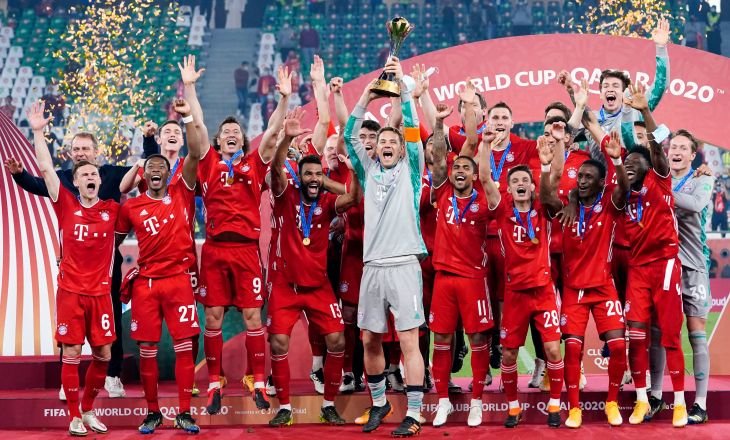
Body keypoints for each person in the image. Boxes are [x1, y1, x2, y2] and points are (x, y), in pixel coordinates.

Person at [4, 116, 158, 403]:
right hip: (73, 269)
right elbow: (39, 181)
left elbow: (144, 171)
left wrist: (149, 141)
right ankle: (69, 381)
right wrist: (19, 174)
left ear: (96, 154)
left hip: (105, 266)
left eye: (85, 149)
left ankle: (112, 375)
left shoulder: (111, 177)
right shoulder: (63, 182)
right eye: (76, 149)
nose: (80, 153)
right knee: (70, 330)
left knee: (111, 320)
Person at [180, 56, 292, 414]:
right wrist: (190, 87)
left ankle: (257, 382)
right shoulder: (208, 163)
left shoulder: (254, 164)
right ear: (218, 141)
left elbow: (272, 133)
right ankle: (214, 384)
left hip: (246, 252)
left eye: (236, 131)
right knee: (212, 317)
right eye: (225, 131)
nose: (231, 133)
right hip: (215, 251)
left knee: (253, 318)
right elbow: (197, 125)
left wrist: (285, 99)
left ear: (243, 140)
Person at [345, 57, 427, 437]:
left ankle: (415, 413)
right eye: (383, 142)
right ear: (375, 149)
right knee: (369, 338)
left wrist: (404, 87)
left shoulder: (412, 170)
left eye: (394, 141)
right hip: (372, 266)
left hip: (404, 264)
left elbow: (410, 126)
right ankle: (379, 403)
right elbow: (350, 136)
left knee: (409, 340)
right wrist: (365, 95)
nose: (389, 144)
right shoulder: (368, 171)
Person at [25, 102, 117, 436]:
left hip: (101, 294)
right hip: (71, 292)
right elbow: (46, 169)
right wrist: (38, 132)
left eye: (93, 174)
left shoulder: (113, 209)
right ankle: (75, 416)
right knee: (73, 351)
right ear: (75, 182)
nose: (90, 177)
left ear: (99, 179)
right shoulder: (65, 203)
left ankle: (89, 410)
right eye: (84, 175)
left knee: (104, 353)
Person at [266, 107, 360, 426]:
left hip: (318, 286)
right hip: (286, 286)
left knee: (337, 340)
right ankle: (284, 408)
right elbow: (276, 169)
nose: (314, 179)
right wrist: (287, 139)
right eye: (308, 174)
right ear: (299, 176)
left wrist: (353, 171)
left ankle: (329, 404)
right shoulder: (286, 195)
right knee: (278, 342)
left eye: (318, 175)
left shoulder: (326, 202)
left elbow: (352, 197)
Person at [114, 98, 203, 434]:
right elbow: (113, 243)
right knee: (147, 349)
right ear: (144, 174)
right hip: (147, 285)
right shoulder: (131, 207)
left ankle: (184, 412)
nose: (155, 171)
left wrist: (188, 117)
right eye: (150, 167)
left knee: (184, 347)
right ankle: (152, 412)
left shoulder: (182, 191)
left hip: (179, 280)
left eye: (160, 167)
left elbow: (195, 152)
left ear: (168, 173)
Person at [545, 126, 630, 428]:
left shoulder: (609, 204)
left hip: (604, 287)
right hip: (574, 289)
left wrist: (617, 161)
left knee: (618, 346)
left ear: (600, 182)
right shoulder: (566, 208)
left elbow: (623, 187)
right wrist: (566, 192)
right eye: (579, 177)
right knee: (572, 348)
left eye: (588, 177)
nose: (581, 181)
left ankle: (611, 403)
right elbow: (546, 196)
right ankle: (574, 408)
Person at [619, 83, 687, 427]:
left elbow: (657, 148)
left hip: (665, 265)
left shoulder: (659, 180)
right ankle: (642, 399)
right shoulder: (623, 194)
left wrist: (644, 110)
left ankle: (680, 403)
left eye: (635, 162)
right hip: (637, 268)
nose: (629, 165)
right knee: (636, 335)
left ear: (648, 166)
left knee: (670, 335)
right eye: (626, 162)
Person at [428, 103, 493, 428]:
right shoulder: (442, 193)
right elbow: (440, 159)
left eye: (466, 168)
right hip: (443, 278)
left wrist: (485, 146)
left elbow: (485, 171)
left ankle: (477, 402)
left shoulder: (483, 199)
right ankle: (442, 402)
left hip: (473, 279)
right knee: (441, 339)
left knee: (478, 340)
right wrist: (439, 124)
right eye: (457, 168)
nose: (460, 171)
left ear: (474, 174)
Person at [648, 129, 714, 424]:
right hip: (664, 266)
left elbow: (696, 204)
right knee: (658, 331)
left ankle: (700, 403)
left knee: (696, 332)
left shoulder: (703, 179)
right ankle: (655, 395)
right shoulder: (658, 177)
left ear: (692, 155)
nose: (676, 151)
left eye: (682, 148)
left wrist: (660, 193)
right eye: (672, 146)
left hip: (693, 266)